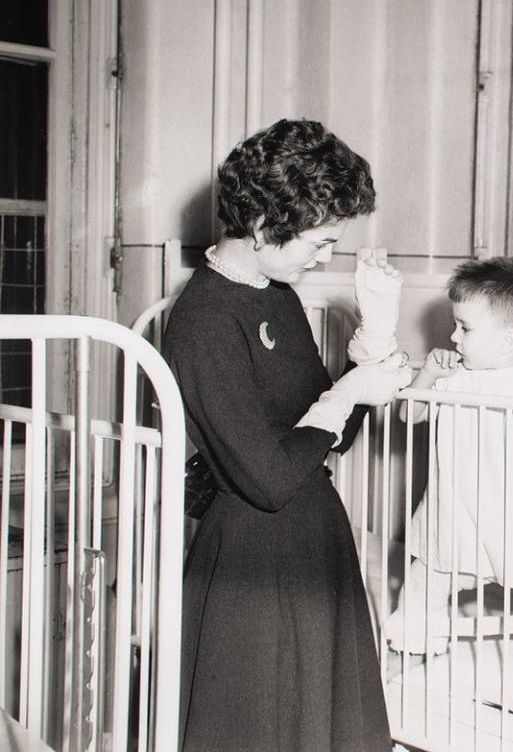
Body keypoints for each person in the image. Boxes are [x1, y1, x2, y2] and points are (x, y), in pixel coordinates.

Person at [163, 118, 412, 752]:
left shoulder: (278, 295)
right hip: (252, 559)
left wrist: (376, 341)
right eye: (319, 241)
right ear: (265, 220)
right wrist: (347, 393)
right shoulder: (202, 319)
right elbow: (268, 479)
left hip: (314, 537)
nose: (327, 256)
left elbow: (329, 433)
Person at [382, 257, 513, 658]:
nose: (453, 336)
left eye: (464, 327)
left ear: (506, 341)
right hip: (454, 519)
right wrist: (427, 375)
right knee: (423, 584)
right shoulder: (452, 378)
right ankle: (415, 646)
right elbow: (408, 413)